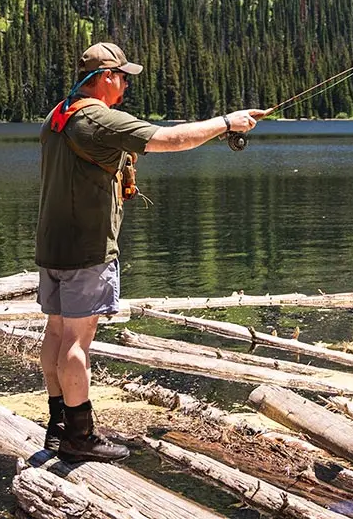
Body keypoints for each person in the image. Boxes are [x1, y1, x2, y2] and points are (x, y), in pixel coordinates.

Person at [37, 41, 267, 463]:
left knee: (55, 332)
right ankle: (80, 435)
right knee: (77, 341)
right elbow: (171, 139)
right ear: (105, 78)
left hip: (51, 245)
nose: (126, 84)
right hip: (87, 247)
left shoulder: (59, 113)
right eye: (123, 76)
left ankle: (57, 426)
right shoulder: (100, 120)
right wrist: (227, 122)